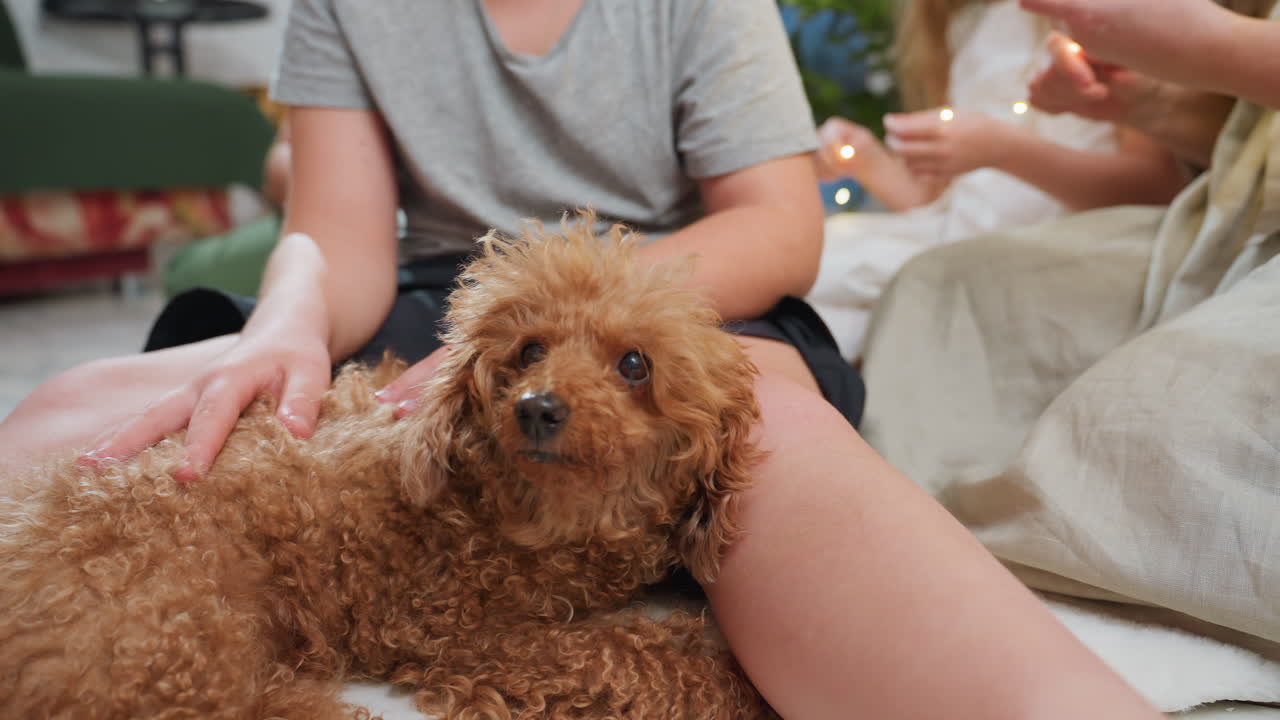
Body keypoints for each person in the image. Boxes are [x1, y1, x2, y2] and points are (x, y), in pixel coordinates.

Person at [0, 1, 1163, 717]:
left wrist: (617, 324)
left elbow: (774, 223)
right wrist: (286, 325)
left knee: (777, 439)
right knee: (72, 412)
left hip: (679, 289)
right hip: (458, 307)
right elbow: (342, 237)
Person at [861, 0, 1280, 706]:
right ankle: (900, 547)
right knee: (942, 288)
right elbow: (1237, 148)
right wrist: (1146, 100)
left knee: (1139, 420)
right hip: (1224, 224)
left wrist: (1219, 48)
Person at [805, 0, 1189, 362]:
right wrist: (869, 161)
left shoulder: (1093, 15)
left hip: (1068, 238)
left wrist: (1005, 150)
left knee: (818, 291)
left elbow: (1156, 184)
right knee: (811, 263)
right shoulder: (964, 22)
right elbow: (949, 204)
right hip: (957, 236)